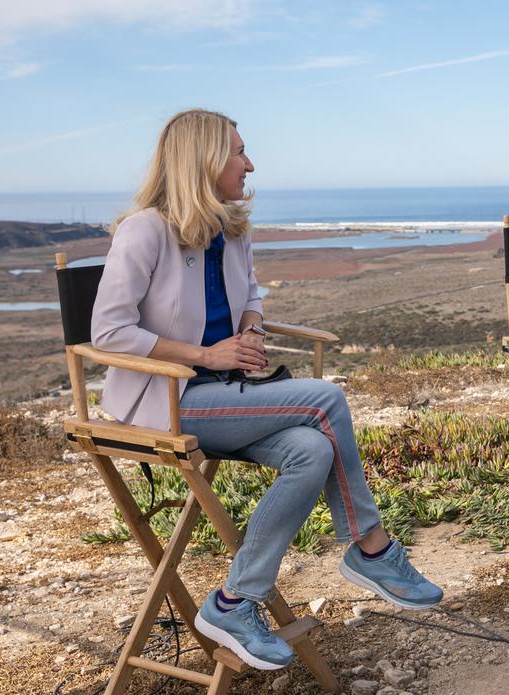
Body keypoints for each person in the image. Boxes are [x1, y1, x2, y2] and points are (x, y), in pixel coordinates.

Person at [91, 109, 441, 671]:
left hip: (225, 396)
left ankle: (234, 601)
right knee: (326, 399)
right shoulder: (145, 230)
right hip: (163, 403)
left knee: (313, 449)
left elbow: (251, 295)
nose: (249, 164)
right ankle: (372, 547)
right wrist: (206, 355)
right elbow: (108, 331)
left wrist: (250, 331)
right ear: (202, 160)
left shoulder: (232, 228)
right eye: (238, 152)